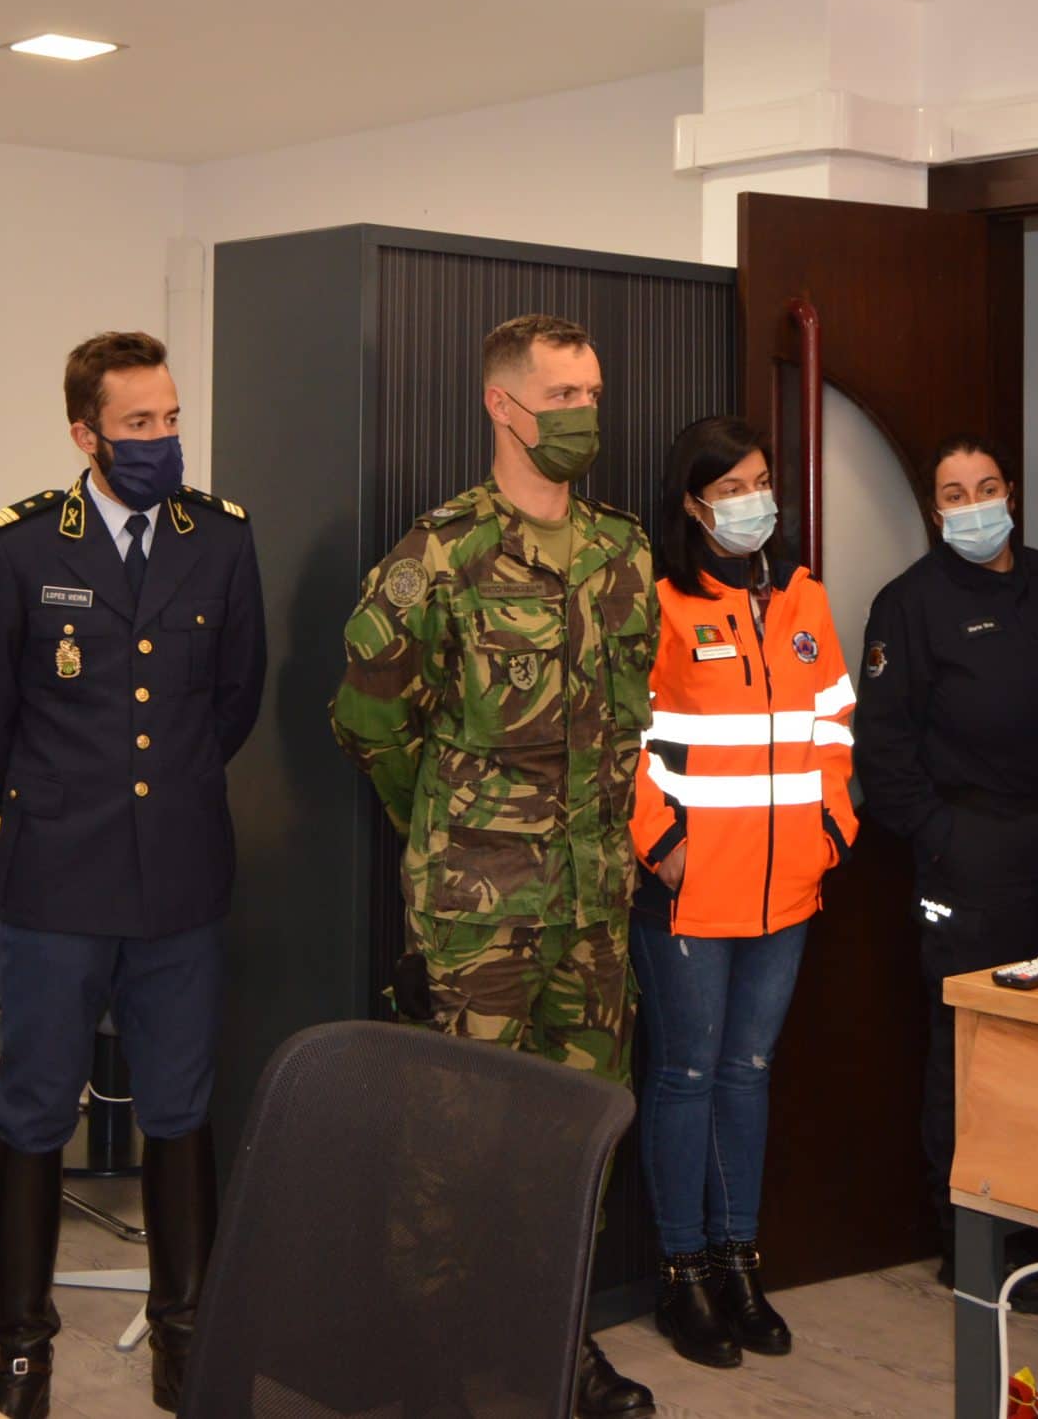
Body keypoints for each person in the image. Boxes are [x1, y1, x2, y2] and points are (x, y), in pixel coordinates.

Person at [330, 311, 660, 1418]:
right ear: (502, 403)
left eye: (592, 394)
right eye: (562, 396)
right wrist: (451, 830)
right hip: (481, 910)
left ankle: (552, 1345)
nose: (584, 415)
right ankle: (427, 1364)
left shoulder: (623, 549)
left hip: (594, 906)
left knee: (578, 1140)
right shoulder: (440, 555)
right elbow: (370, 722)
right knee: (452, 1147)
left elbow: (627, 725)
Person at [0, 330, 263, 1418]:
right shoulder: (22, 545)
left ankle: (184, 1334)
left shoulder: (221, 538)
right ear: (86, 433)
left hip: (180, 875)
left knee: (179, 1106)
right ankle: (22, 1350)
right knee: (35, 1109)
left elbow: (235, 697)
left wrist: (160, 797)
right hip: (58, 878)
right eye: (139, 424)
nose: (162, 439)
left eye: (170, 418)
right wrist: (55, 803)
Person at [626, 416, 853, 1371]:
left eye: (760, 480)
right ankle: (682, 1272)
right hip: (688, 889)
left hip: (787, 887)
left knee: (747, 1072)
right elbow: (629, 734)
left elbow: (835, 723)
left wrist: (832, 830)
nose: (753, 499)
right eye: (731, 487)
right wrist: (663, 842)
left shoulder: (804, 598)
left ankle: (739, 1264)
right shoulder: (660, 602)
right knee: (685, 1073)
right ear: (693, 503)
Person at [854, 435, 1038, 1277]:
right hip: (971, 857)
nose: (975, 506)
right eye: (956, 494)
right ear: (935, 509)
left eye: (987, 487)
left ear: (1010, 492)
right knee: (974, 1053)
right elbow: (883, 750)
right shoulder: (908, 603)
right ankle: (975, 1249)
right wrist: (945, 836)